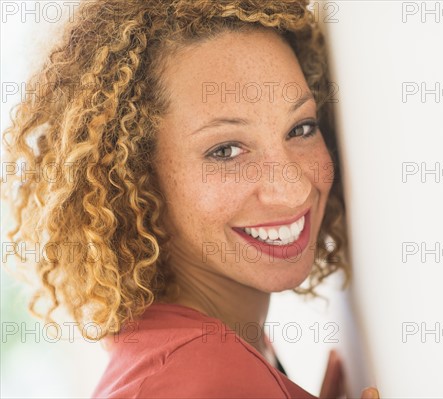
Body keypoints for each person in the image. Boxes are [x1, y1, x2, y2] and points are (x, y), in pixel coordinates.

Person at [1, 0, 379, 397]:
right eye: (226, 151)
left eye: (300, 128)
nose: (293, 188)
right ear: (136, 176)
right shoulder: (208, 377)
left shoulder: (186, 353)